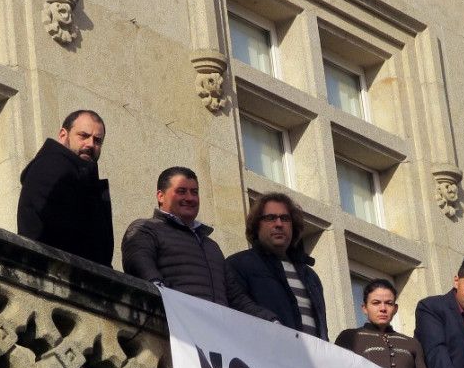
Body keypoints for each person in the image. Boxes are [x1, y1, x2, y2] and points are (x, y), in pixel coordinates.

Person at [121, 167, 275, 320]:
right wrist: (160, 290)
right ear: (160, 196)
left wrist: (270, 320)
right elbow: (139, 263)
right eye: (181, 191)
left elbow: (236, 298)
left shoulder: (211, 246)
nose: (190, 198)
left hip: (217, 335)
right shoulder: (146, 229)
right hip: (175, 331)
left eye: (194, 192)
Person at [17, 109, 113, 266]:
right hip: (55, 274)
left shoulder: (82, 177)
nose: (90, 144)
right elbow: (61, 229)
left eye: (97, 141)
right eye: (83, 136)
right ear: (63, 135)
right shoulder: (54, 165)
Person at [226, 193, 328, 338]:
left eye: (285, 219)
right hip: (266, 355)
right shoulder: (239, 265)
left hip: (310, 358)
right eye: (270, 218)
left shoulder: (311, 277)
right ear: (256, 225)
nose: (279, 224)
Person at [335, 279, 442, 368]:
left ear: (395, 309)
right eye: (376, 303)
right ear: (365, 308)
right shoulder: (349, 337)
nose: (383, 309)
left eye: (388, 303)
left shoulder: (412, 343)